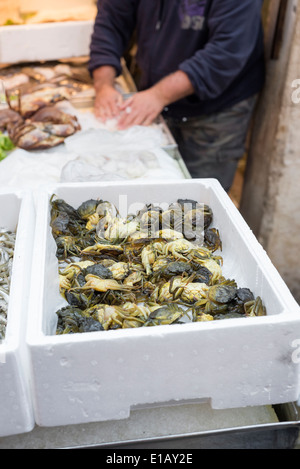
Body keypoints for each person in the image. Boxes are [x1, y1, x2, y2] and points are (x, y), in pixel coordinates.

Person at [89, 0, 265, 192]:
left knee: (199, 198)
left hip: (217, 109)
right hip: (155, 95)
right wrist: (104, 84)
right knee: (144, 186)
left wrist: (159, 95)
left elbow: (227, 51)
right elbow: (111, 21)